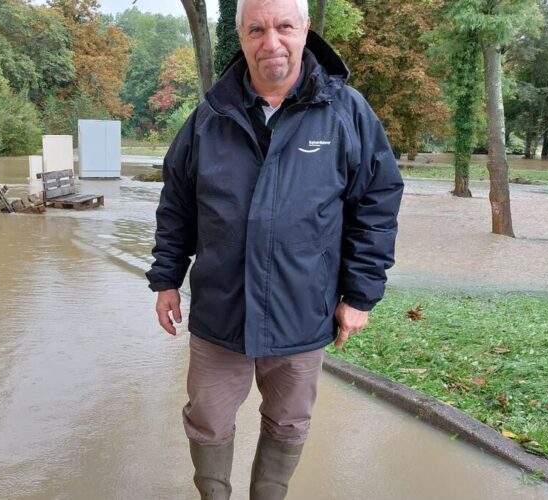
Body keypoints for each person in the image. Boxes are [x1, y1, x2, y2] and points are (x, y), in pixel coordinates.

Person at [145, 0, 403, 497]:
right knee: (208, 421)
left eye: (285, 26)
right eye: (257, 29)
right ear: (241, 36)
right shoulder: (207, 117)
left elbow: (376, 202)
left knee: (288, 424)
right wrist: (166, 279)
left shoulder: (347, 112)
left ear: (305, 29)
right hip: (220, 314)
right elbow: (177, 203)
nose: (271, 42)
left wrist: (360, 295)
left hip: (303, 312)